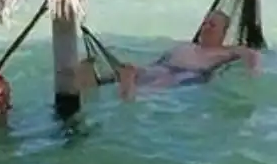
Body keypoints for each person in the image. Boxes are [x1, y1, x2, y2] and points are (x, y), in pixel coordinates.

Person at [77, 10, 261, 101]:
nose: (205, 27)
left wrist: (253, 71)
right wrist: (141, 69)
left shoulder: (227, 51)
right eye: (205, 23)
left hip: (191, 75)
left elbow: (252, 54)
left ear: (224, 31)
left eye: (212, 25)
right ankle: (96, 82)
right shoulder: (187, 46)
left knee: (164, 81)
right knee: (133, 69)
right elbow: (158, 62)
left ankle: (131, 92)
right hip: (163, 67)